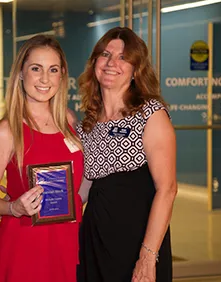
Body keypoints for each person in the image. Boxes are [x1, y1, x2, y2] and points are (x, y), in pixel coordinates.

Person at [0, 34, 83, 282]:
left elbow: (79, 183)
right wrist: (13, 207)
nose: (45, 79)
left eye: (53, 69)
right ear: (22, 73)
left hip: (66, 243)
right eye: (36, 68)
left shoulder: (69, 121)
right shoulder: (7, 131)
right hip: (23, 245)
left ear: (62, 75)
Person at [76, 27, 177, 282]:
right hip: (95, 238)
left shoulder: (150, 114)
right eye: (105, 54)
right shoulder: (88, 122)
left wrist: (147, 257)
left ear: (136, 70)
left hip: (137, 240)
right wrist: (44, 206)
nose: (112, 63)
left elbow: (168, 190)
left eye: (123, 57)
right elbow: (85, 188)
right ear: (95, 62)